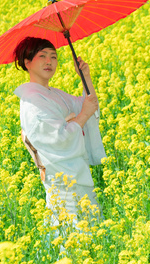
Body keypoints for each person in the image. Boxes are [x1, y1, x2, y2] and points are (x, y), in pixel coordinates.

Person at [13, 36, 106, 232]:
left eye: (54, 57)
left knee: (92, 234)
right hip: (61, 180)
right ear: (27, 63)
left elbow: (88, 105)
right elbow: (58, 138)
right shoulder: (32, 100)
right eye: (42, 56)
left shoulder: (53, 94)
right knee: (71, 235)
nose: (49, 62)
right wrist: (80, 116)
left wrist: (85, 77)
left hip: (77, 171)